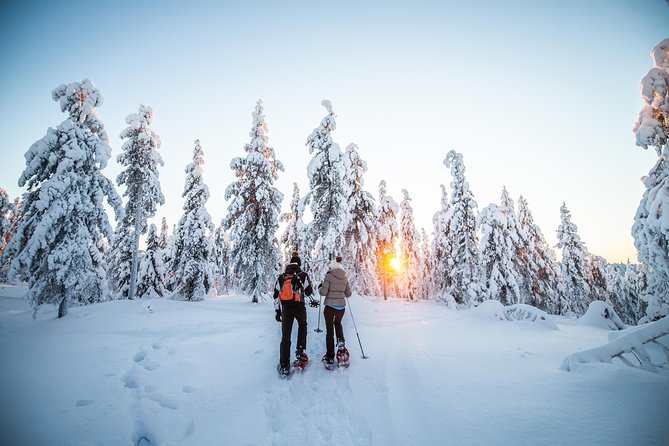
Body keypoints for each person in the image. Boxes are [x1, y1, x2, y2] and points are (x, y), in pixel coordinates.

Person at [273, 253, 314, 375]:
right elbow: (308, 292)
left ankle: (284, 365)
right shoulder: (303, 275)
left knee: (286, 335)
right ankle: (300, 351)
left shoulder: (282, 277)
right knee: (302, 326)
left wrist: (277, 311)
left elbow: (275, 295)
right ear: (299, 265)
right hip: (299, 307)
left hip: (286, 309)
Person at [318, 255, 352, 366]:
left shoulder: (329, 276)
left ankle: (330, 356)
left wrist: (320, 287)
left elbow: (323, 292)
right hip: (341, 308)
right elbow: (348, 294)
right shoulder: (345, 277)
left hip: (329, 308)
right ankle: (341, 342)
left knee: (329, 331)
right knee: (338, 323)